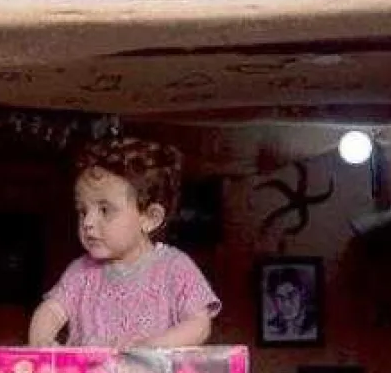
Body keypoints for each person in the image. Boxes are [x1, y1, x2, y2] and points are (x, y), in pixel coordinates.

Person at [29, 136, 220, 348]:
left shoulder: (174, 267)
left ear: (149, 218)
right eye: (83, 211)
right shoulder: (80, 272)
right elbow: (51, 310)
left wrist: (151, 347)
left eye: (105, 210)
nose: (88, 222)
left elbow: (199, 325)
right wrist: (41, 343)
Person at [264, 266, 317, 340]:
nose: (286, 303)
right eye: (280, 297)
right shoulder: (271, 327)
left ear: (302, 292)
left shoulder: (315, 325)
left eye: (291, 295)